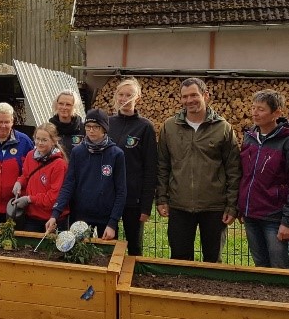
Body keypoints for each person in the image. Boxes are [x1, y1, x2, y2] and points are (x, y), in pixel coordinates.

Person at [156, 77, 241, 262]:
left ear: (206, 96)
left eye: (194, 95)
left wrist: (232, 206)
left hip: (214, 206)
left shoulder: (223, 128)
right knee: (179, 258)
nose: (189, 100)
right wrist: (161, 198)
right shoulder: (169, 127)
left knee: (212, 260)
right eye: (185, 96)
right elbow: (162, 166)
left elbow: (234, 170)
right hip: (179, 205)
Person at [238, 90, 289, 269]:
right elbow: (243, 175)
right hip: (251, 216)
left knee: (280, 270)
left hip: (275, 218)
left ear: (277, 113)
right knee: (261, 267)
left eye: (261, 109)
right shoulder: (250, 137)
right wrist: (241, 206)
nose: (255, 113)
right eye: (253, 108)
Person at [46, 108, 127, 239]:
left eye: (96, 127)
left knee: (105, 257)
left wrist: (113, 222)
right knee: (78, 255)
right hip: (80, 216)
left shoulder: (116, 154)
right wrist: (55, 214)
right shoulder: (78, 152)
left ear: (104, 128)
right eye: (88, 127)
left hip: (105, 218)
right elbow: (68, 184)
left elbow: (121, 190)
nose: (91, 130)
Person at [107, 77, 158, 256]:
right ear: (116, 97)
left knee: (134, 246)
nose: (124, 98)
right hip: (108, 196)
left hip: (133, 199)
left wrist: (146, 206)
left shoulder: (145, 127)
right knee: (108, 243)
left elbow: (151, 168)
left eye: (129, 94)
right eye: (121, 94)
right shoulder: (107, 124)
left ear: (138, 98)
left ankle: (133, 277)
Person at [12, 122, 68, 233]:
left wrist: (29, 199)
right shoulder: (30, 155)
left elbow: (54, 197)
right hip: (32, 216)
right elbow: (26, 175)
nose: (39, 143)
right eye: (37, 139)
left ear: (53, 141)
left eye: (44, 140)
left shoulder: (59, 164)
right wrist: (19, 182)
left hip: (53, 218)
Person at [49, 89, 84, 157]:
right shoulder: (48, 130)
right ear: (56, 105)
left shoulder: (84, 130)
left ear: (74, 107)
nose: (64, 107)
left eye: (68, 104)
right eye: (61, 103)